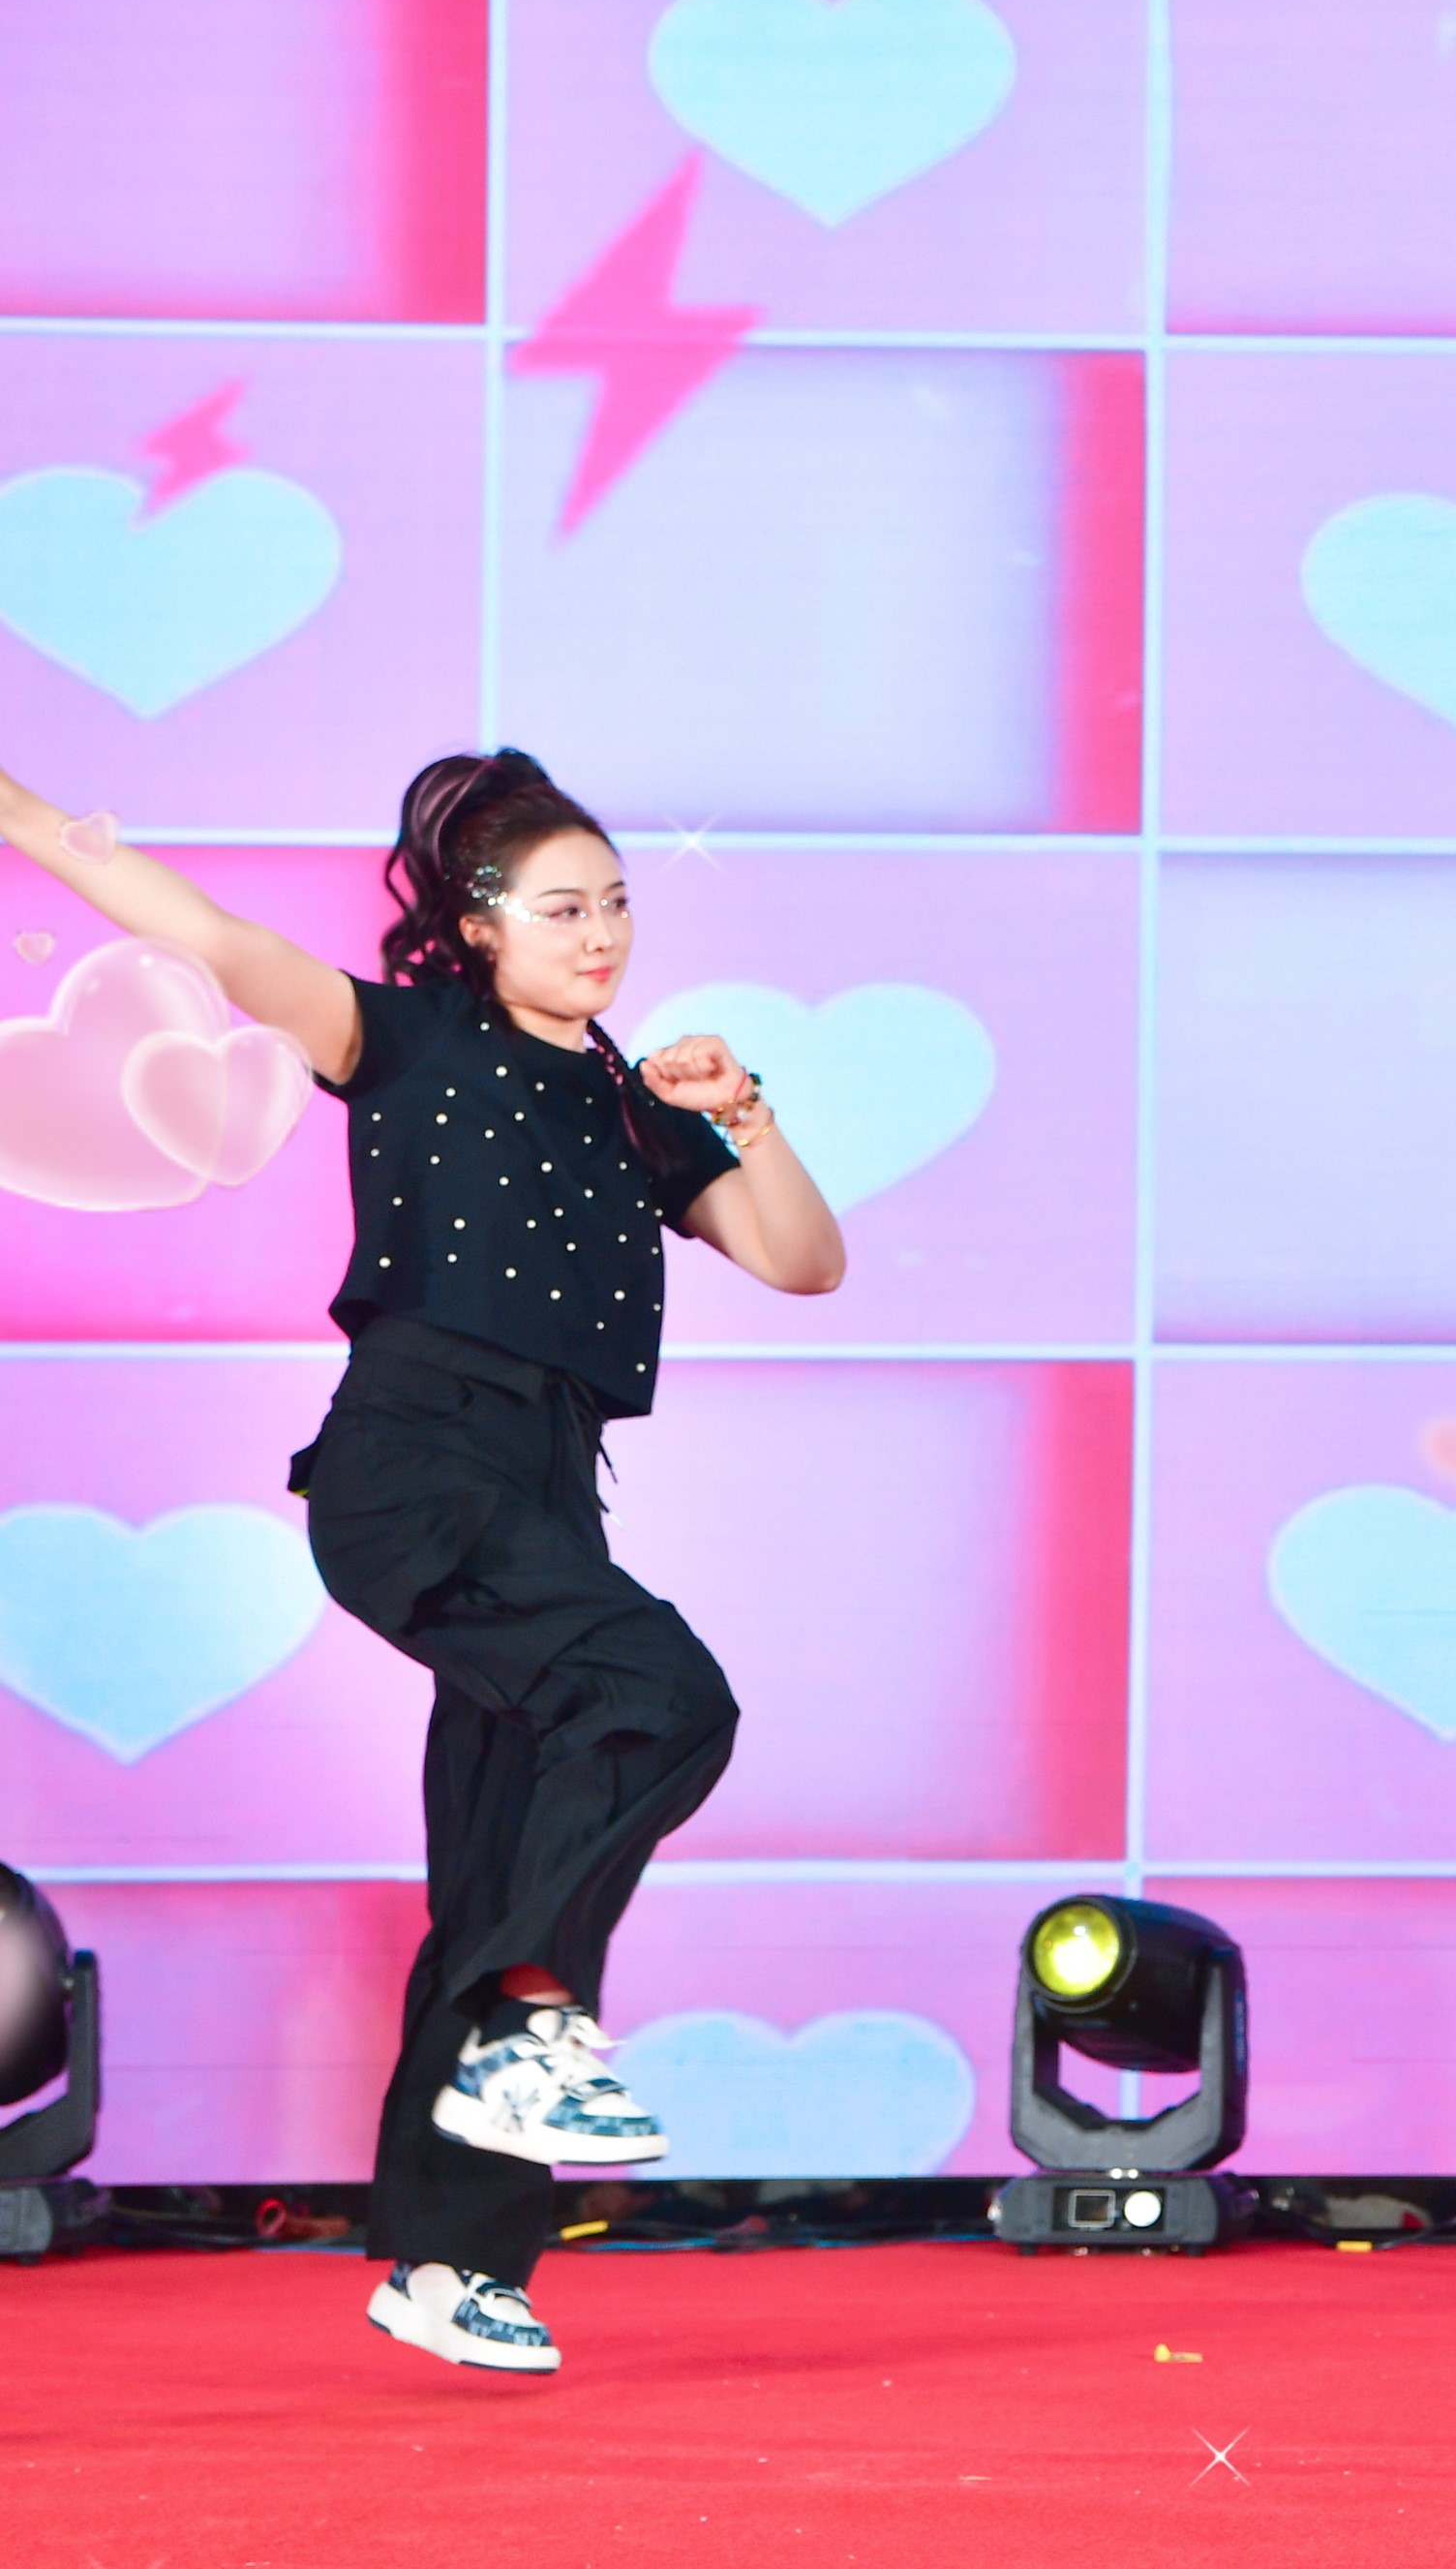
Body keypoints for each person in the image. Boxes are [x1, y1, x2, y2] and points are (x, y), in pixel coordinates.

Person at [0, 747, 846, 2375]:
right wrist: (31, 820)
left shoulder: (636, 1107)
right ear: (477, 925)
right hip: (418, 1467)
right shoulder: (406, 1039)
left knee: (508, 1851)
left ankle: (453, 2261)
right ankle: (525, 2020)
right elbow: (214, 940)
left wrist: (743, 1111)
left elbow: (804, 1260)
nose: (600, 934)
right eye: (562, 907)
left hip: (546, 1497)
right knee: (661, 1697)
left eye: (616, 904)